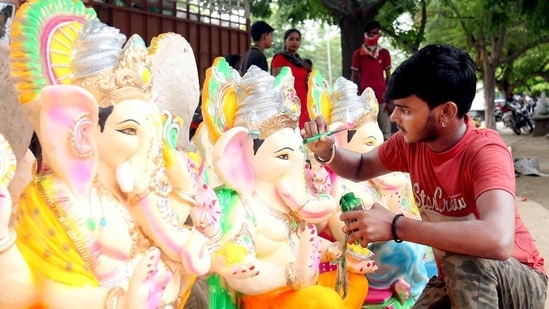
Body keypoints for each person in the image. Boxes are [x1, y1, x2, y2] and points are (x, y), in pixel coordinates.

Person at [302, 44, 548, 308]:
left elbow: (498, 239)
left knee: (462, 264)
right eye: (395, 107)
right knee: (455, 270)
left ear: (446, 112)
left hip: (518, 281)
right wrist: (328, 151)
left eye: (406, 109)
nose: (395, 117)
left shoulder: (485, 151)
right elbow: (361, 166)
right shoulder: (410, 144)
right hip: (455, 277)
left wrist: (396, 226)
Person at [350, 20, 392, 140]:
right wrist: (354, 98)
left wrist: (390, 100)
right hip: (365, 99)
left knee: (385, 133)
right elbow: (354, 77)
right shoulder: (358, 54)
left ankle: (387, 157)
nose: (373, 35)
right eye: (371, 33)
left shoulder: (384, 53)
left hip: (382, 98)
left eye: (376, 33)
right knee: (368, 132)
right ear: (365, 34)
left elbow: (389, 77)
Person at [271, 28, 309, 128]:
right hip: (288, 104)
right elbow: (278, 84)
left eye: (297, 39)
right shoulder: (279, 58)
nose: (294, 42)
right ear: (285, 41)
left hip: (303, 102)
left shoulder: (300, 62)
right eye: (291, 39)